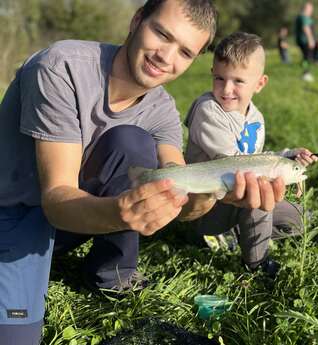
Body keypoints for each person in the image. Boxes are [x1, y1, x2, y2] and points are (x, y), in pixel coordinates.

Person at [0, 1, 287, 344]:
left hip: (78, 218)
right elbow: (56, 199)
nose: (166, 57)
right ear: (137, 21)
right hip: (17, 214)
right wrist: (119, 212)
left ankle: (108, 274)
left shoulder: (163, 109)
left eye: (185, 52)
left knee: (132, 142)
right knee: (15, 338)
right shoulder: (60, 67)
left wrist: (214, 191)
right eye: (161, 34)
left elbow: (181, 188)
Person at [184, 32, 318, 278]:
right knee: (259, 193)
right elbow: (237, 165)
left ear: (260, 83)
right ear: (212, 72)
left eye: (238, 81)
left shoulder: (255, 117)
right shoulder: (208, 110)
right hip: (205, 206)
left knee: (301, 218)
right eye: (219, 78)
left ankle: (234, 234)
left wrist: (287, 157)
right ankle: (256, 265)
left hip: (237, 196)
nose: (226, 89)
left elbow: (255, 159)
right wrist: (273, 170)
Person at [295, 2, 316, 82]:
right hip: (305, 41)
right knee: (307, 57)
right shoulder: (304, 17)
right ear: (307, 8)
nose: (311, 11)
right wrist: (310, 39)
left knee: (306, 57)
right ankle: (306, 74)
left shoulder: (302, 17)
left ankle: (306, 72)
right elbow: (306, 28)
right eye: (311, 9)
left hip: (303, 40)